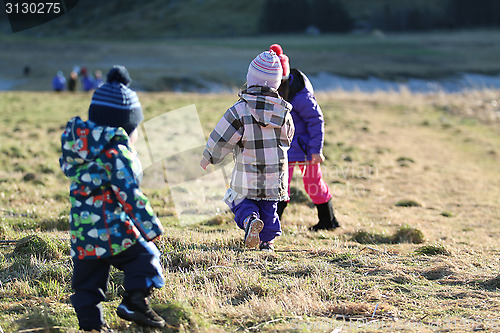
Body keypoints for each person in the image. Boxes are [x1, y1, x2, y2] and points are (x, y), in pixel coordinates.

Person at [59, 65, 166, 331]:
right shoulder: (117, 153)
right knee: (146, 257)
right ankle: (134, 302)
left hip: (83, 232)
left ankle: (91, 326)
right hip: (114, 230)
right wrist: (151, 228)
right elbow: (131, 195)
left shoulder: (80, 149)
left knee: (87, 284)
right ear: (127, 126)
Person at [200, 50, 294, 251]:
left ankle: (250, 221)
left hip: (247, 173)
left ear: (250, 80)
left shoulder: (239, 110)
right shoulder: (284, 111)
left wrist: (210, 156)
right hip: (275, 174)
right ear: (276, 83)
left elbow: (222, 137)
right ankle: (266, 243)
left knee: (239, 199)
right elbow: (288, 137)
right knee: (269, 209)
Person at [270, 43, 340, 231]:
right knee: (280, 185)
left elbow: (316, 121)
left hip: (306, 149)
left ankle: (328, 221)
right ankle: (273, 224)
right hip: (285, 150)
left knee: (313, 184)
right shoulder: (273, 94)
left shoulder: (301, 96)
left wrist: (316, 151)